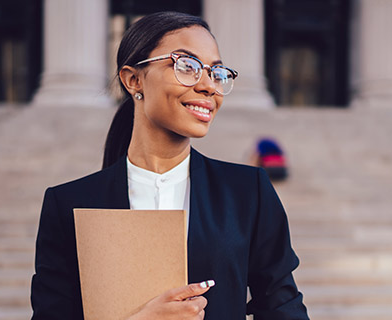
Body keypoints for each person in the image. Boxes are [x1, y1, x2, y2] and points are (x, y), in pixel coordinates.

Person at [31, 11, 308, 319]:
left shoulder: (248, 192)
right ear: (133, 79)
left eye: (216, 73)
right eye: (187, 66)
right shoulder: (68, 204)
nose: (209, 87)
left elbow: (283, 308)